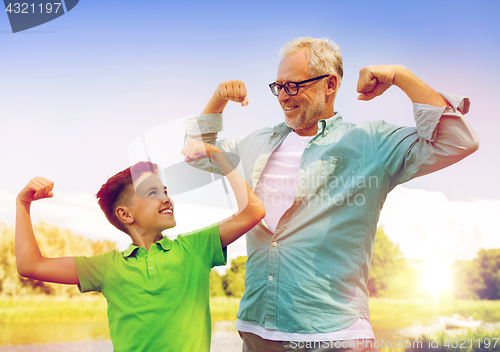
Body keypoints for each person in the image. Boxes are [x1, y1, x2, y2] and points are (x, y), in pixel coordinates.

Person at [183, 37, 479, 351]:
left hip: (334, 337)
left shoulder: (368, 142)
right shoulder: (257, 142)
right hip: (257, 332)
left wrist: (399, 76)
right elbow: (195, 154)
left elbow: (458, 140)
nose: (283, 97)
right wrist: (218, 99)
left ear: (330, 85)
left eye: (293, 86)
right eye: (278, 86)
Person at [15, 140, 266, 352]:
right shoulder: (106, 267)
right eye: (152, 192)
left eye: (165, 190)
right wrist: (22, 204)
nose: (166, 197)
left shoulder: (195, 249)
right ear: (125, 215)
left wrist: (218, 156)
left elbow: (253, 212)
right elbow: (31, 265)